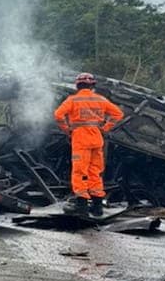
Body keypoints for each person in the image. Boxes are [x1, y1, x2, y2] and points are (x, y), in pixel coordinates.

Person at [53, 73, 124, 216]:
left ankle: (82, 206)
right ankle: (98, 207)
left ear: (77, 85)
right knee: (95, 172)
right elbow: (118, 114)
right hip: (97, 139)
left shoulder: (73, 100)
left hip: (80, 139)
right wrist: (105, 128)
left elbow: (58, 115)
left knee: (80, 172)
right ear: (92, 86)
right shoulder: (100, 99)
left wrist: (67, 130)